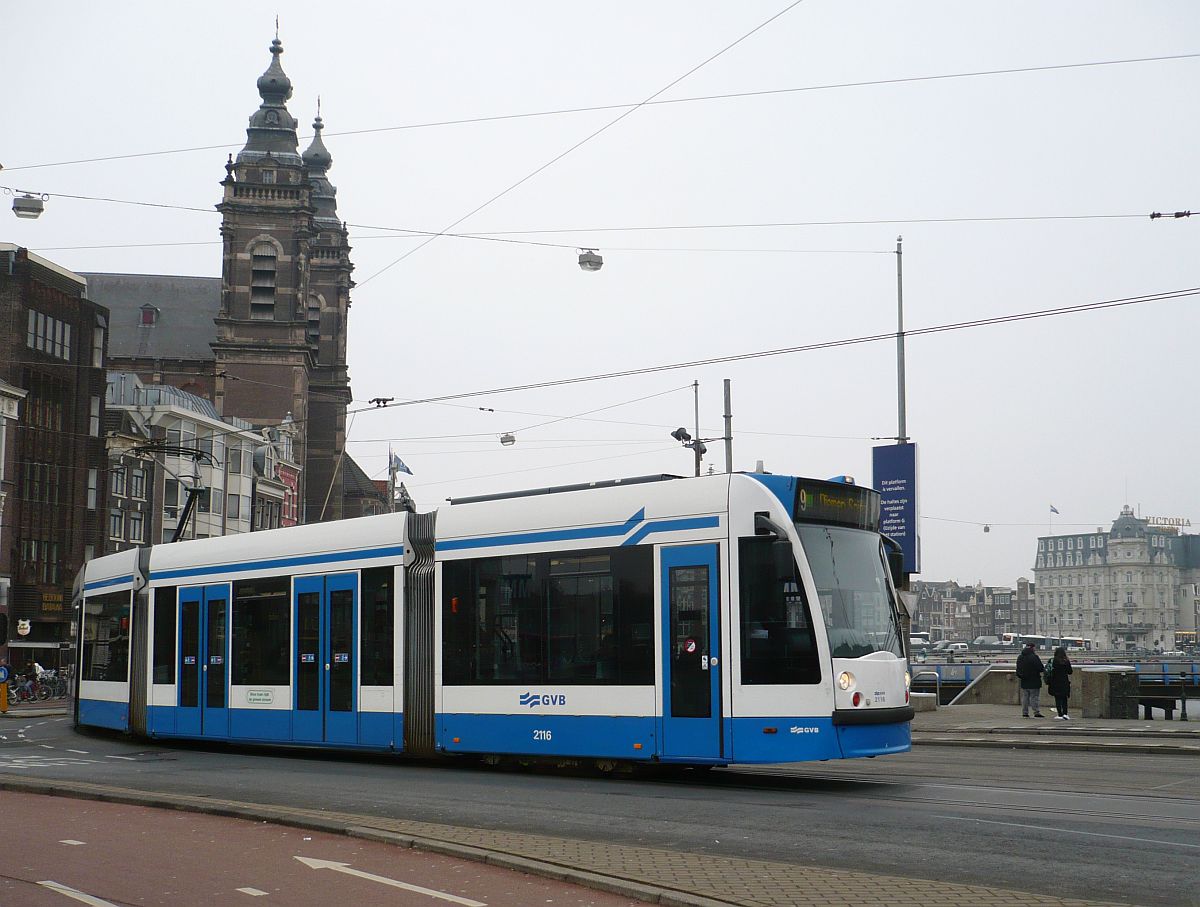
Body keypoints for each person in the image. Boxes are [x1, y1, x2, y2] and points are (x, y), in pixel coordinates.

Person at [1015, 641, 1046, 718]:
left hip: (1024, 680)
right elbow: (1040, 668)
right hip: (1034, 680)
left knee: (1025, 697)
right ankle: (1036, 712)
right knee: (1034, 697)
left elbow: (1018, 668)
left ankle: (1025, 712)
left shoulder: (1020, 657)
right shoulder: (1034, 657)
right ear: (1032, 648)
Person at [1047, 646, 1074, 720]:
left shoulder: (1053, 660)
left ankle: (1059, 714)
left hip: (1055, 681)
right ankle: (1065, 714)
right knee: (1064, 698)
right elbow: (1070, 672)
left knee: (1057, 698)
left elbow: (1049, 671)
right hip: (1064, 681)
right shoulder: (1066, 661)